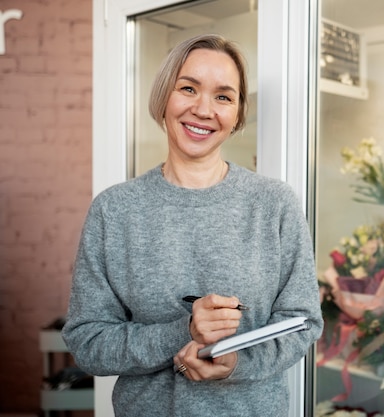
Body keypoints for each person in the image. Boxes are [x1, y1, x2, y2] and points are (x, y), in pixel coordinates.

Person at [62, 34, 323, 416]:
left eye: (223, 96)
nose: (203, 109)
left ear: (237, 115)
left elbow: (303, 323)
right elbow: (88, 342)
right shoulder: (114, 211)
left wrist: (236, 362)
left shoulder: (274, 204)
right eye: (188, 88)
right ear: (164, 98)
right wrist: (183, 331)